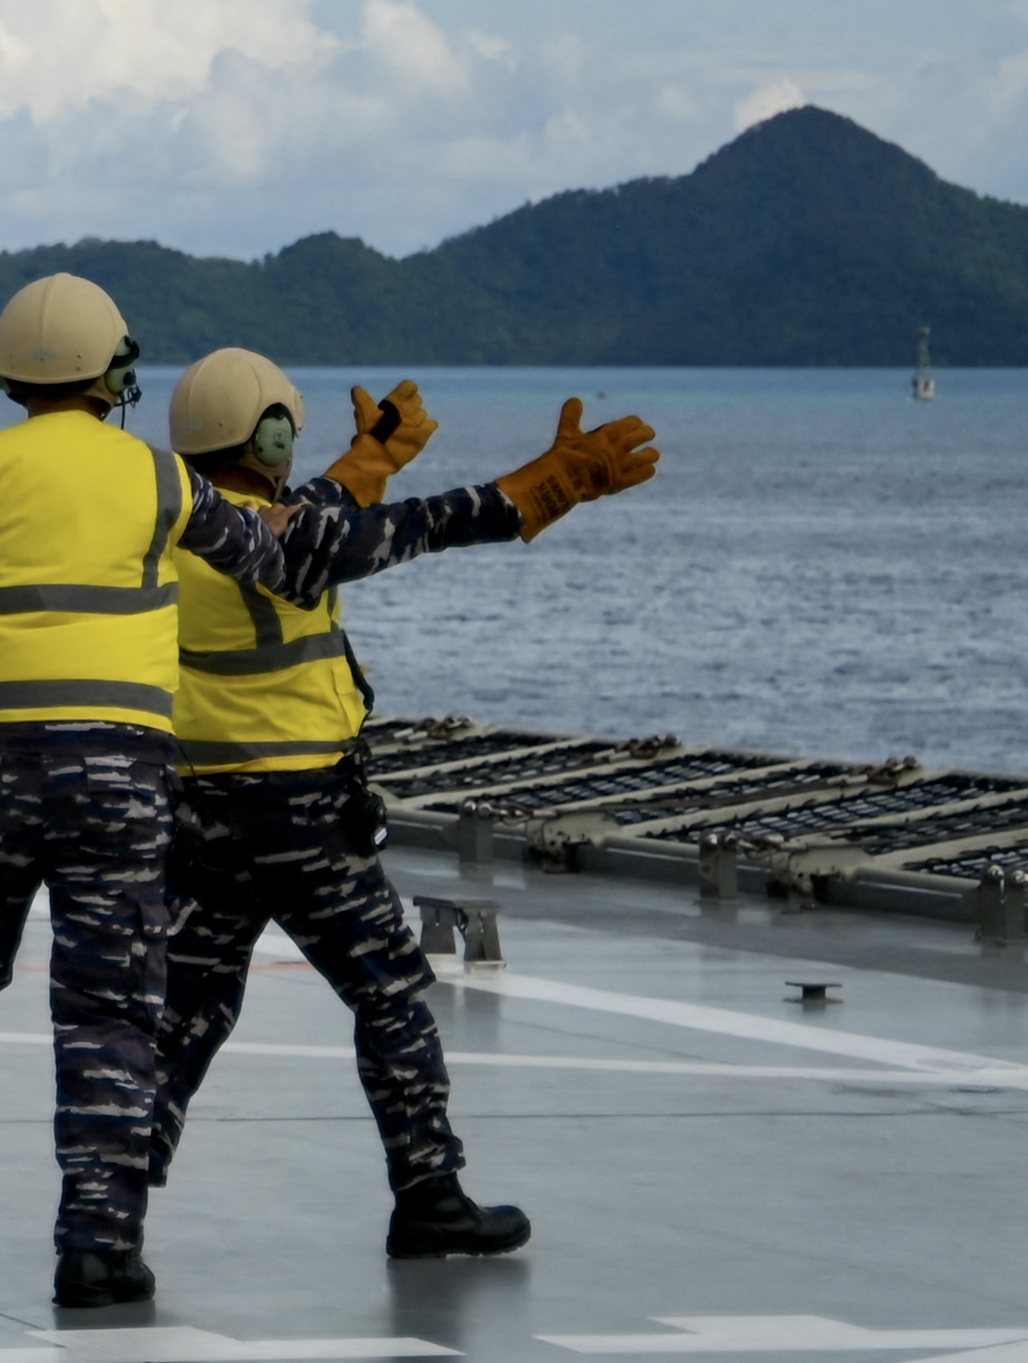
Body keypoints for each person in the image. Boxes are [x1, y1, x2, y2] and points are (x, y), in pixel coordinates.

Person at [0, 274, 410, 1316]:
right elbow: (273, 559)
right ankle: (98, 1248)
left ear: (4, 373)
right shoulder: (162, 480)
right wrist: (360, 484)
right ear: (115, 372)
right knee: (110, 1010)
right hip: (122, 778)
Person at [142, 352, 657, 1259]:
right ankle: (427, 1192)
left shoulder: (175, 530)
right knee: (388, 995)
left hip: (202, 810)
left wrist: (370, 458)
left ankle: (109, 1205)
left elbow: (316, 513)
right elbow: (417, 526)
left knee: (185, 1013)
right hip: (302, 813)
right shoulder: (294, 540)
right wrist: (545, 484)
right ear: (269, 435)